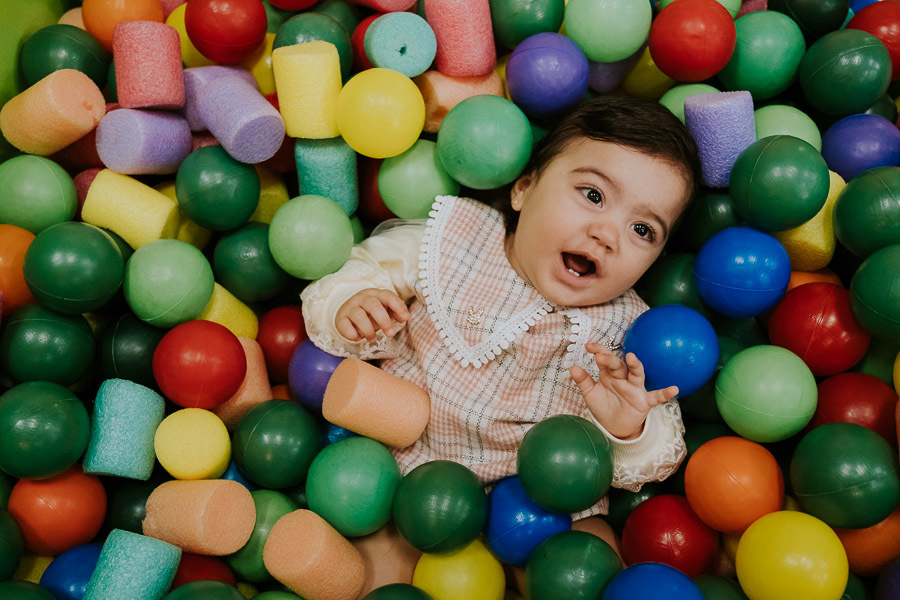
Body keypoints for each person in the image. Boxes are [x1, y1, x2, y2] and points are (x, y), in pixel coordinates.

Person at [301, 95, 702, 516]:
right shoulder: (453, 241)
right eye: (593, 195)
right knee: (369, 526)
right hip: (400, 464)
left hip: (536, 503)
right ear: (524, 189)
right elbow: (354, 273)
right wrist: (350, 303)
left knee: (589, 541)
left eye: (642, 229)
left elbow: (657, 456)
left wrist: (627, 427)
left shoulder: (631, 334)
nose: (607, 234)